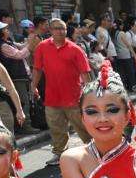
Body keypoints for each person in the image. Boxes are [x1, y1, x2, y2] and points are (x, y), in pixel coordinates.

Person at [31, 19, 92, 166]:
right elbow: (37, 69)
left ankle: (94, 149)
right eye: (57, 28)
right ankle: (59, 153)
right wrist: (33, 86)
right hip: (52, 97)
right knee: (56, 128)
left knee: (83, 126)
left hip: (74, 97)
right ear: (50, 31)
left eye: (63, 29)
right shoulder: (42, 47)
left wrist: (90, 94)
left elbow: (85, 73)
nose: (60, 31)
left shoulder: (75, 49)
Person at [0, 20, 40, 134]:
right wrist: (30, 45)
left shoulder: (8, 42)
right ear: (0, 32)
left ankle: (28, 124)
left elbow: (21, 46)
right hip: (16, 78)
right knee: (23, 102)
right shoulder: (3, 45)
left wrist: (30, 40)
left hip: (22, 76)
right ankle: (25, 126)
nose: (8, 30)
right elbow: (19, 54)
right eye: (5, 29)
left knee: (27, 100)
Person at [114, 19, 136, 92]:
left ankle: (126, 87)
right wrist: (134, 55)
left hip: (119, 55)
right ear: (120, 25)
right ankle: (133, 87)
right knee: (130, 72)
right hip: (126, 55)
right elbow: (128, 45)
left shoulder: (115, 33)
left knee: (123, 73)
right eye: (122, 25)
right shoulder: (122, 33)